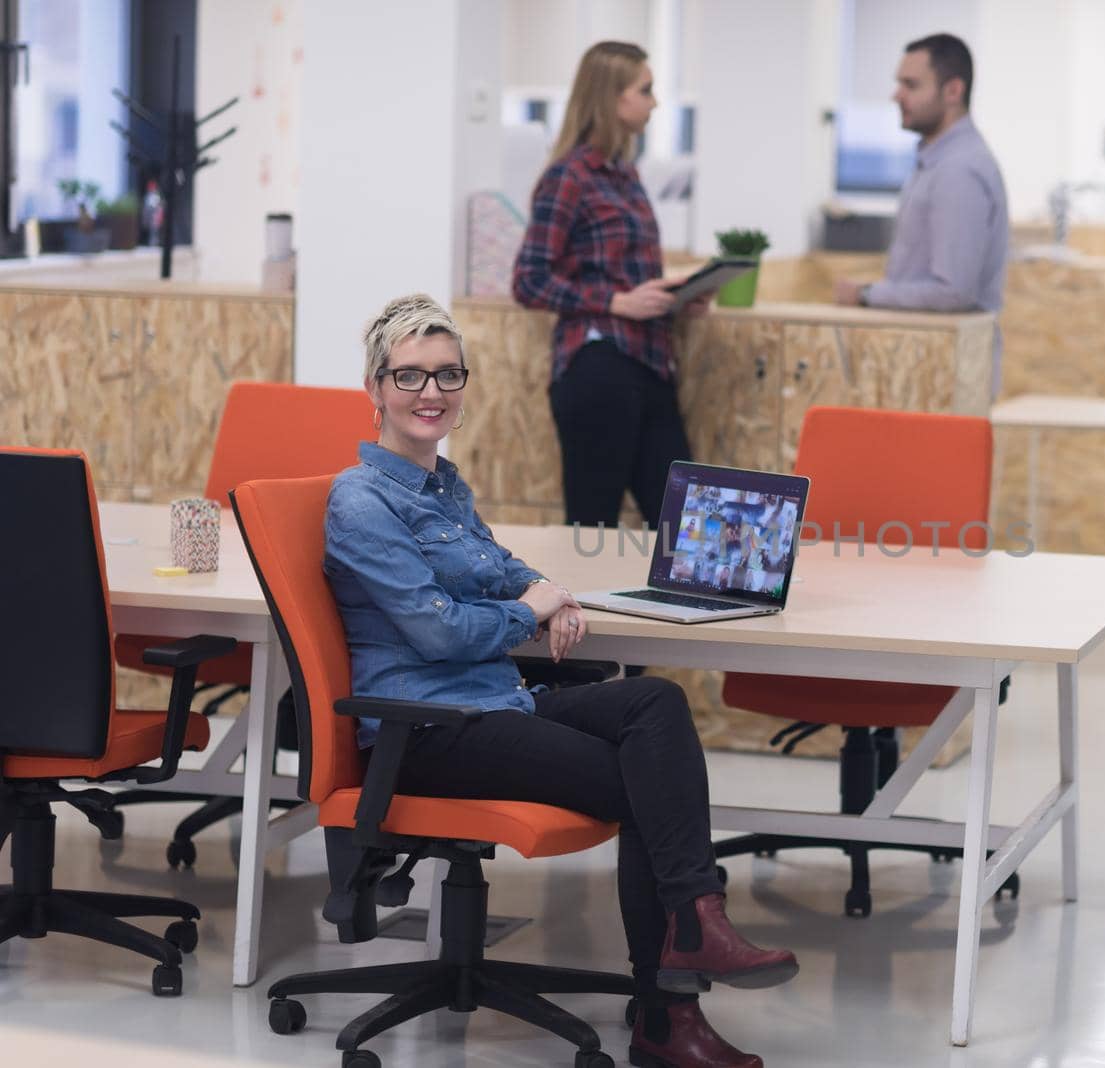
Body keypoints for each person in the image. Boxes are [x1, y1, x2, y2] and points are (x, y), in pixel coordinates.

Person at [324, 294, 794, 1068]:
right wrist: (526, 611)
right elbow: (437, 631)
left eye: (448, 375)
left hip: (494, 705)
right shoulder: (362, 501)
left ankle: (692, 933)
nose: (431, 392)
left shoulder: (444, 487)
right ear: (374, 387)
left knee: (655, 704)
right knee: (652, 782)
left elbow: (501, 567)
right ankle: (670, 1009)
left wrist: (551, 590)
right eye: (409, 376)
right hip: (428, 728)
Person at [512, 41, 709, 528]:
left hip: (649, 365)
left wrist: (675, 298)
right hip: (598, 369)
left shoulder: (625, 175)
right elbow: (529, 280)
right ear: (612, 97)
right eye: (645, 90)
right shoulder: (568, 177)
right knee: (592, 528)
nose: (655, 102)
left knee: (685, 530)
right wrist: (617, 302)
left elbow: (624, 276)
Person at [834, 32, 1010, 396]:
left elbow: (953, 291)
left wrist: (867, 294)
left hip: (944, 375)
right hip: (927, 370)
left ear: (952, 91)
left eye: (911, 85)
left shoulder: (958, 170)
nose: (896, 95)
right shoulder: (935, 161)